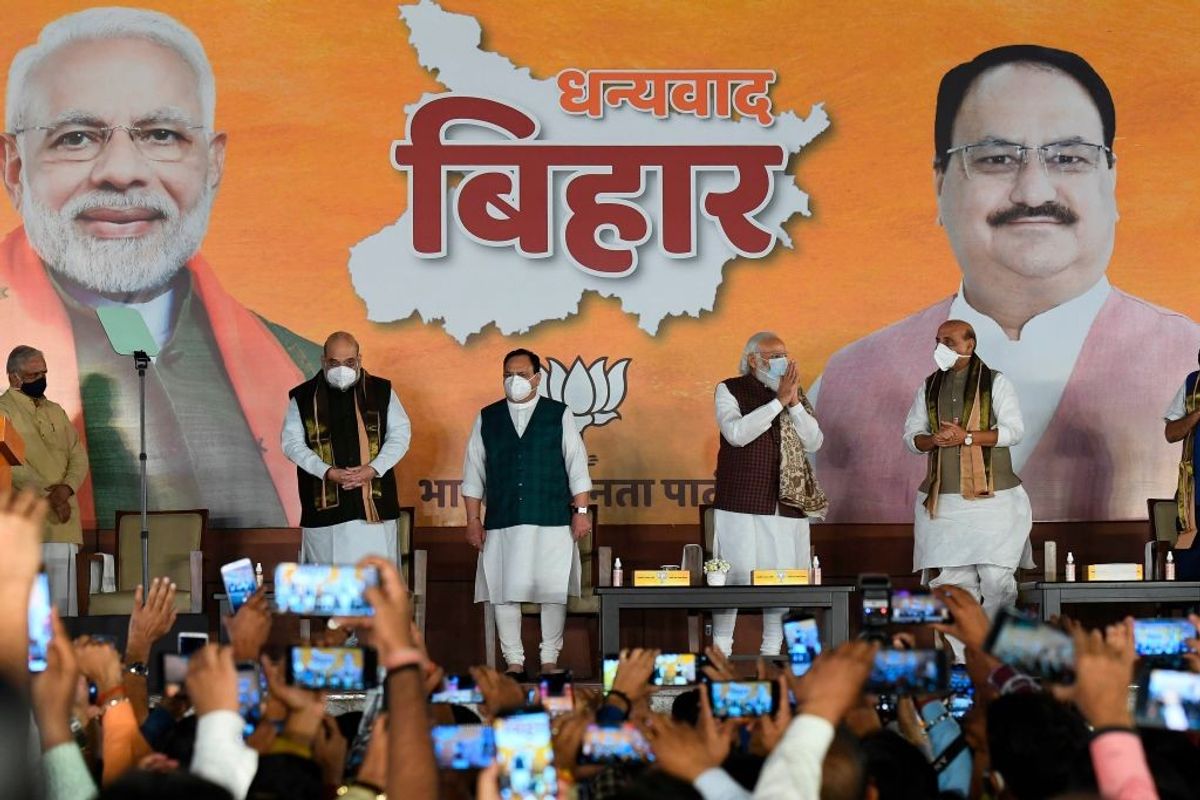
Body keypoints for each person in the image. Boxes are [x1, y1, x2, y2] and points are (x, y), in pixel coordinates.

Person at [813, 44, 1200, 524]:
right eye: (996, 158)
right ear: (940, 182)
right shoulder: (845, 383)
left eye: (1069, 157)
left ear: (1111, 179)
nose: (1034, 191)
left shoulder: (1187, 356)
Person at [0, 7, 321, 531]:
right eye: (76, 137)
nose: (122, 172)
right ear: (14, 168)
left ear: (213, 163)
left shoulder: (302, 367)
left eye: (162, 135)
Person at [903, 320, 1033, 659]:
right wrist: (933, 440)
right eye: (937, 340)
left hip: (994, 501)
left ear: (969, 345)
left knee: (996, 581)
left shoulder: (996, 382)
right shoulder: (929, 386)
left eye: (948, 341)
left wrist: (968, 438)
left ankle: (995, 656)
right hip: (944, 502)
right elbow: (911, 437)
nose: (940, 347)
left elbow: (1014, 431)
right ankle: (965, 661)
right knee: (953, 587)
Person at [462, 348, 592, 679]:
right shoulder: (488, 417)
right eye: (508, 375)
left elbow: (576, 465)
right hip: (503, 519)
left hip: (551, 517)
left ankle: (549, 660)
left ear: (537, 377)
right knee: (504, 591)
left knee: (552, 590)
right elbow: (473, 471)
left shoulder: (558, 414)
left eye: (521, 374)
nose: (514, 380)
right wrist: (473, 520)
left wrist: (581, 511)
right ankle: (514, 662)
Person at [711, 332, 826, 656]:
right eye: (774, 355)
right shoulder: (729, 389)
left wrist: (794, 403)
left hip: (787, 501)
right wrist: (777, 403)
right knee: (733, 577)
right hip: (742, 501)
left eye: (784, 354)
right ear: (753, 360)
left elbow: (814, 441)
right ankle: (721, 652)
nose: (782, 361)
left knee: (784, 578)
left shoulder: (795, 394)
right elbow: (736, 433)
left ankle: (772, 652)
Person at [281, 332, 411, 564]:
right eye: (334, 363)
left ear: (359, 359)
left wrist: (374, 468)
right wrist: (326, 472)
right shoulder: (302, 397)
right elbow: (291, 444)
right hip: (324, 513)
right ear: (323, 361)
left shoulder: (382, 391)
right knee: (328, 583)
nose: (342, 369)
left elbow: (400, 435)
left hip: (375, 507)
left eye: (349, 362)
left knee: (377, 583)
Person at [0, 345, 88, 614]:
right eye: (33, 375)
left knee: (65, 612)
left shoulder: (56, 410)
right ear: (14, 377)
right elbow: (10, 464)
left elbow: (78, 456)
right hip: (28, 524)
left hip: (64, 522)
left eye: (44, 373)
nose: (41, 379)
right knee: (36, 616)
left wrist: (66, 488)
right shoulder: (3, 411)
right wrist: (49, 495)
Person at [1162, 350, 1200, 580]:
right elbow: (1171, 433)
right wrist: (1196, 414)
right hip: (1195, 494)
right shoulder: (1192, 385)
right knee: (1190, 565)